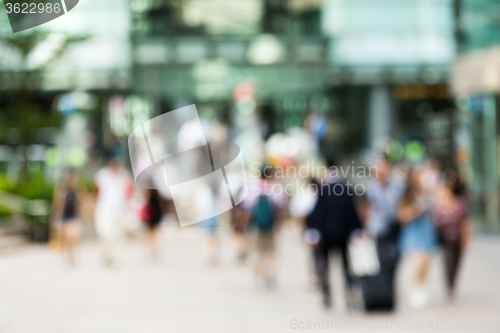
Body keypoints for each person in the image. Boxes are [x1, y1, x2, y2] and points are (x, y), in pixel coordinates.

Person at [305, 160, 362, 308]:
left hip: (326, 235)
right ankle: (349, 294)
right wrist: (356, 229)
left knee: (324, 266)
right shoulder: (347, 188)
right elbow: (352, 213)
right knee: (346, 266)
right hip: (343, 234)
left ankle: (327, 295)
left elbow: (317, 213)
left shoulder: (323, 189)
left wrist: (313, 231)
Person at [363, 157, 405, 310]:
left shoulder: (398, 186)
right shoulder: (370, 188)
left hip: (395, 227)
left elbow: (401, 205)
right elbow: (367, 210)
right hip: (378, 229)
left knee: (394, 260)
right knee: (379, 262)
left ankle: (390, 291)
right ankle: (380, 294)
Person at [398, 167, 438, 309]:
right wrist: (416, 209)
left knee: (426, 262)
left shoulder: (428, 192)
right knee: (419, 261)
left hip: (427, 229)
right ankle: (416, 289)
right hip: (414, 231)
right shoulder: (406, 194)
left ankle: (422, 288)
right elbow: (402, 215)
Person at [432, 168, 472, 300]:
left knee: (457, 262)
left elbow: (466, 222)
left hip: (457, 237)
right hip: (445, 240)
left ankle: (453, 285)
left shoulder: (459, 204)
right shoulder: (438, 206)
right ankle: (449, 286)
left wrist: (466, 238)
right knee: (448, 262)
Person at [94, 157, 133, 267]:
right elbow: (96, 192)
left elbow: (129, 193)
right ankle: (107, 254)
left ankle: (116, 257)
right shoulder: (101, 175)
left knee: (118, 236)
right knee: (105, 233)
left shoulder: (125, 176)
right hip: (104, 210)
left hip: (120, 210)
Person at [52, 170, 82, 266]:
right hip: (64, 216)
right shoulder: (61, 189)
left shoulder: (77, 190)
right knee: (64, 238)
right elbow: (57, 204)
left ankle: (71, 255)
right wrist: (57, 218)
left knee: (73, 236)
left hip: (73, 216)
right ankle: (65, 255)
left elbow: (81, 203)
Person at [141, 189, 163, 261]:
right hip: (154, 217)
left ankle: (151, 251)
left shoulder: (148, 196)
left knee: (149, 236)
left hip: (150, 218)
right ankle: (153, 250)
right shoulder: (157, 196)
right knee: (153, 236)